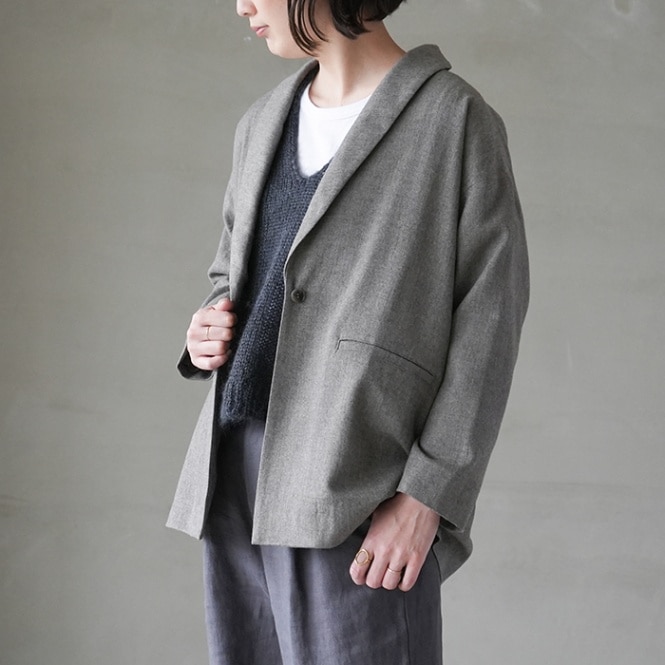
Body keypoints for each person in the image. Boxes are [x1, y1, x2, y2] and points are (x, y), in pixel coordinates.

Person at [167, 1, 529, 663]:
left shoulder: (453, 120)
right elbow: (232, 272)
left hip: (355, 477)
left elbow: (489, 323)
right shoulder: (261, 123)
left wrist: (427, 494)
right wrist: (206, 328)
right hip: (235, 474)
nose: (241, 4)